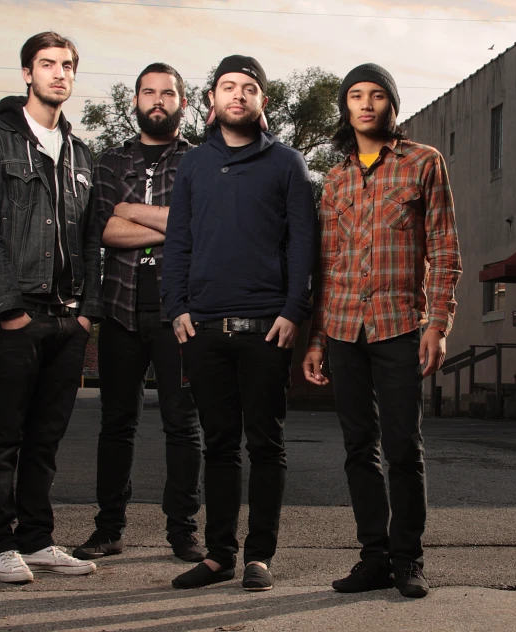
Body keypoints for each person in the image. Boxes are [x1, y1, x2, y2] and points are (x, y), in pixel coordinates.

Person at [302, 63, 462, 598]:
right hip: (344, 329)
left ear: (392, 105)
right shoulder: (336, 178)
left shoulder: (423, 163)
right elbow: (326, 264)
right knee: (357, 447)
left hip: (398, 326)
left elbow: (444, 250)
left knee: (403, 447)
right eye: (355, 95)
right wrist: (319, 339)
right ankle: (372, 556)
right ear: (345, 107)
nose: (366, 104)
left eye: (376, 95)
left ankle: (407, 558)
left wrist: (436, 324)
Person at [161, 55, 316, 592]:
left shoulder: (287, 164)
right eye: (228, 86)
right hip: (204, 328)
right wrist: (176, 308)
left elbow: (303, 246)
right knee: (219, 445)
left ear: (262, 102)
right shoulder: (194, 166)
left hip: (266, 329)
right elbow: (177, 242)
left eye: (250, 88)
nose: (238, 95)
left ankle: (259, 557)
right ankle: (219, 554)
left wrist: (294, 310)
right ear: (211, 100)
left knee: (266, 445)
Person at [0, 31, 103, 583]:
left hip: (69, 319)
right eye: (47, 64)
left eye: (67, 65)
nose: (59, 73)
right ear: (27, 74)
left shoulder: (80, 153)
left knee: (46, 438)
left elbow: (92, 240)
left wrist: (87, 314)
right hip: (18, 314)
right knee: (6, 436)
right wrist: (8, 310)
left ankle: (38, 540)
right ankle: (0, 545)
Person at [72, 64, 205, 564]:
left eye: (167, 92)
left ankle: (183, 531)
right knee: (116, 423)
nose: (157, 100)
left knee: (181, 424)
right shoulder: (109, 163)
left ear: (183, 103)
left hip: (180, 313)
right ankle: (108, 530)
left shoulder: (199, 161)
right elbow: (103, 231)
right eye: (148, 92)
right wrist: (173, 227)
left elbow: (199, 225)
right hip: (121, 309)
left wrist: (133, 214)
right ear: (135, 101)